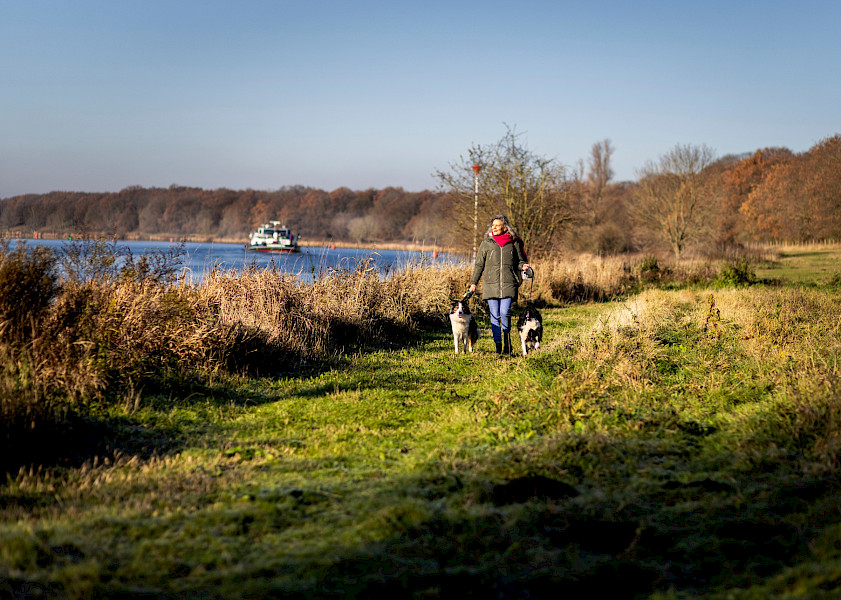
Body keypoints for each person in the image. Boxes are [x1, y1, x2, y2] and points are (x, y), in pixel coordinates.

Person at [469, 214, 531, 354]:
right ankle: (498, 345)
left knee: (504, 312)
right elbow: (479, 265)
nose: (494, 227)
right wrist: (473, 283)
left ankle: (507, 340)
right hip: (490, 285)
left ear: (505, 227)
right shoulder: (486, 243)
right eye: (493, 225)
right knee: (495, 316)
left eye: (497, 225)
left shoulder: (514, 242)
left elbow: (520, 261)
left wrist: (523, 266)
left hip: (509, 283)